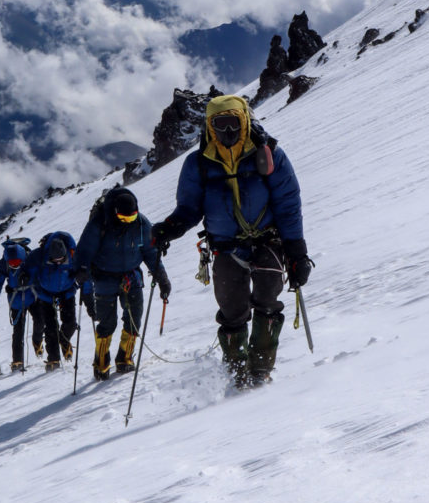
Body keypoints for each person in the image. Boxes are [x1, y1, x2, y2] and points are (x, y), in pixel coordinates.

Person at [152, 94, 312, 388]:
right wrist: (167, 230)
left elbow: (288, 204)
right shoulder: (197, 164)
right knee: (232, 312)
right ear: (210, 127)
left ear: (245, 120)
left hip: (269, 241)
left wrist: (297, 252)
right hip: (225, 247)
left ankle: (259, 371)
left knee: (267, 303)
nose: (228, 131)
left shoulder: (270, 155)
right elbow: (189, 209)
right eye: (219, 124)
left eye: (233, 122)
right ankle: (237, 375)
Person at [75, 187, 171, 380]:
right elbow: (84, 250)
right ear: (115, 212)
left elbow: (151, 253)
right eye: (124, 218)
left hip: (131, 276)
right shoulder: (100, 223)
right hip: (104, 278)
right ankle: (101, 362)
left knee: (134, 317)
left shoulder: (142, 223)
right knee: (107, 323)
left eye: (132, 217)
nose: (129, 221)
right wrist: (81, 271)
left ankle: (125, 359)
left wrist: (162, 278)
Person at [29, 231, 93, 371]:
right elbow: (28, 266)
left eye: (61, 259)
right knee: (50, 327)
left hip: (67, 293)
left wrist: (90, 303)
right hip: (46, 294)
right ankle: (53, 359)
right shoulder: (40, 255)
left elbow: (85, 278)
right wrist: (24, 276)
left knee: (70, 323)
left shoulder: (74, 256)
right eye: (55, 260)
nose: (58, 262)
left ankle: (64, 341)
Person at [0, 238, 44, 372]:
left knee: (40, 321)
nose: (14, 265)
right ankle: (17, 360)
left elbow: (41, 274)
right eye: (12, 263)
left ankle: (37, 341)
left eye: (17, 262)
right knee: (18, 332)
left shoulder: (30, 259)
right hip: (19, 299)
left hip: (32, 296)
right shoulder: (4, 263)